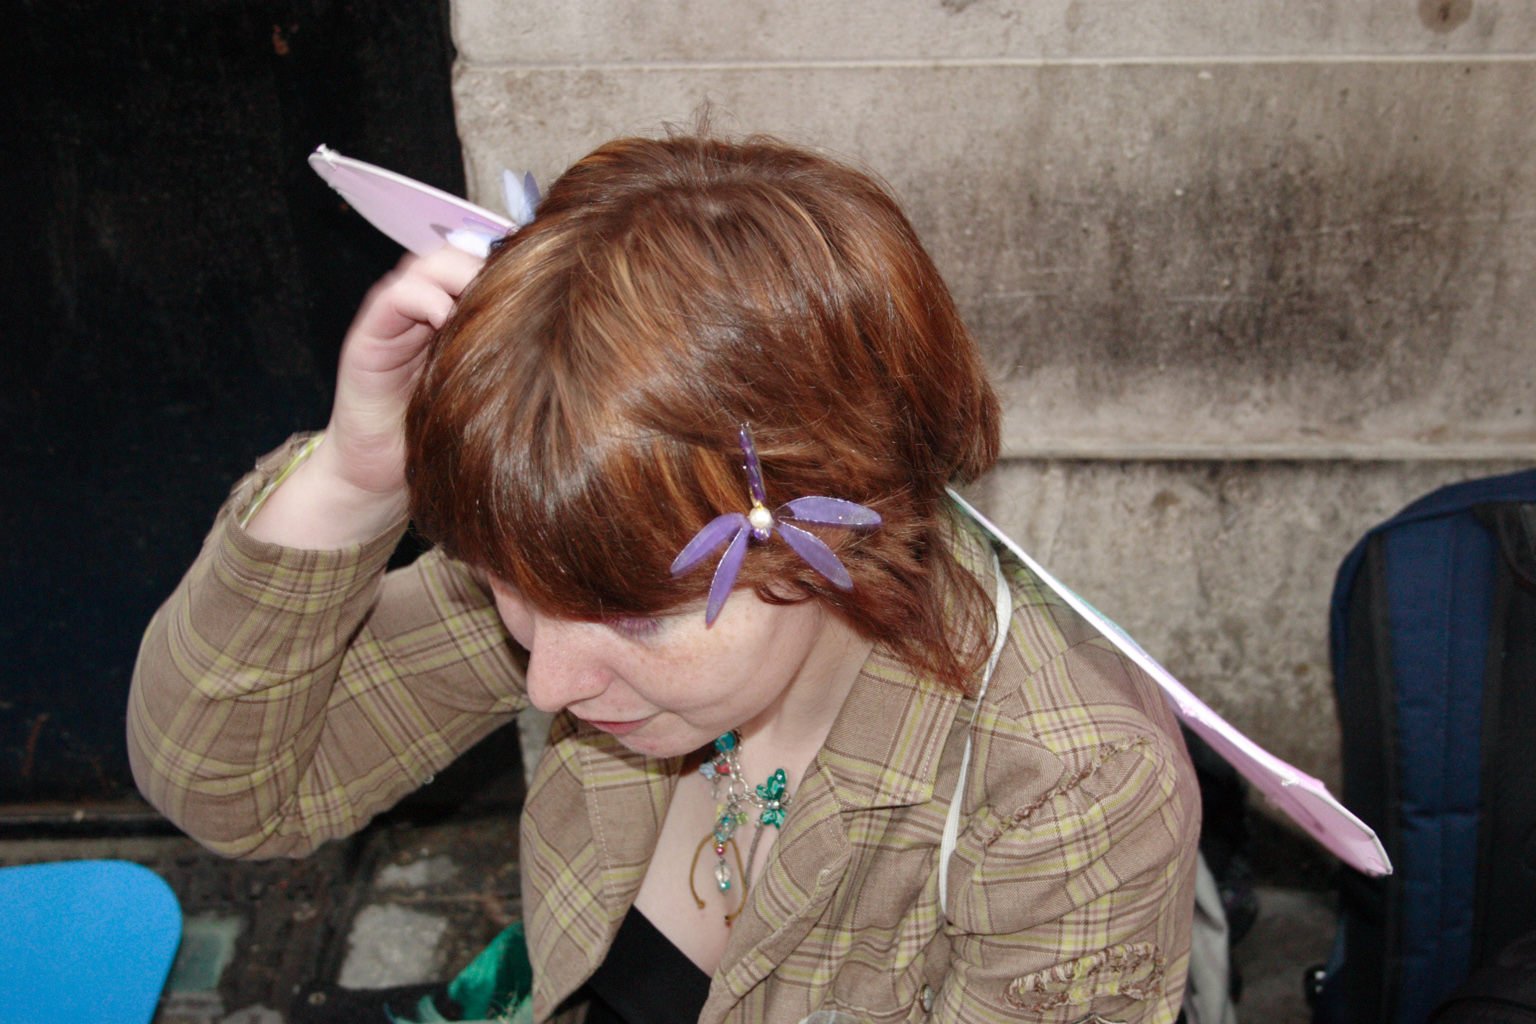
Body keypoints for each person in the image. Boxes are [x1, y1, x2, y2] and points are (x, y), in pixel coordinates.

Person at [130, 132, 1199, 1024]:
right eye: (511, 584)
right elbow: (230, 790)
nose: (548, 683)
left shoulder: (1065, 792)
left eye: (636, 619)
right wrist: (357, 482)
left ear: (839, 531)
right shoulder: (575, 581)